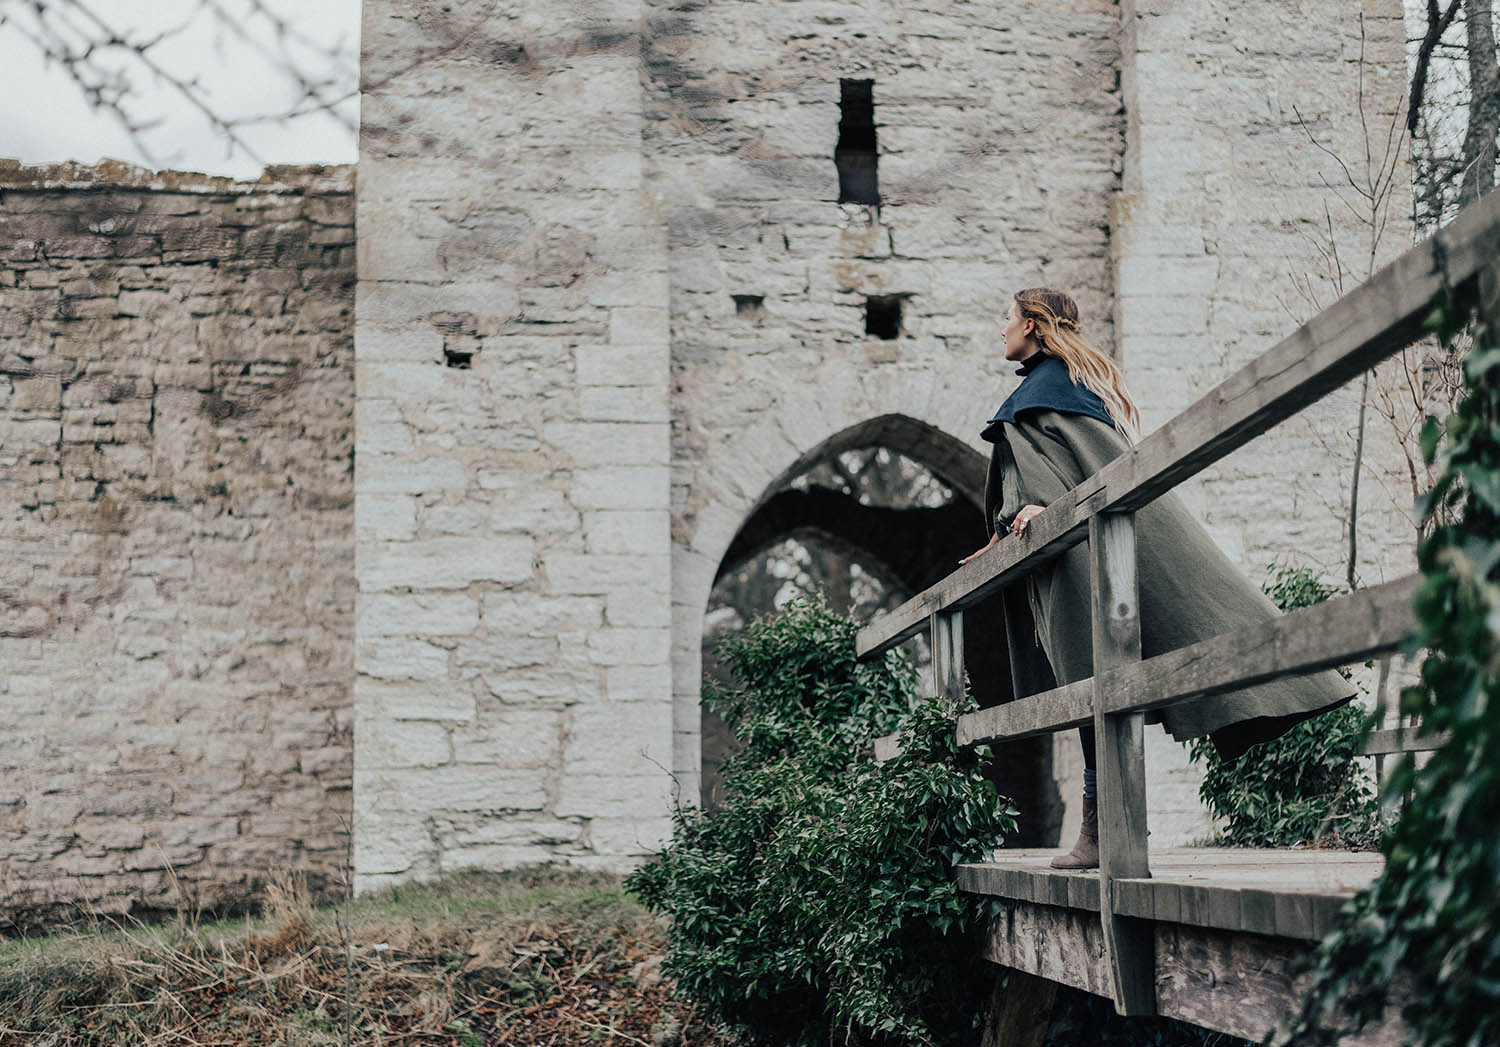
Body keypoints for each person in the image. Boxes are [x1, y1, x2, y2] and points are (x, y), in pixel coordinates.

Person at [961, 287, 1353, 870]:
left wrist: (1041, 508)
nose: (1001, 329)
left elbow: (1057, 479)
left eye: (1007, 318)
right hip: (1072, 557)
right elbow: (1037, 479)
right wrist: (999, 538)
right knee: (1091, 689)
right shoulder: (1054, 389)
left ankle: (1103, 833)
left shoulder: (1048, 391)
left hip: (1082, 561)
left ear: (1035, 327)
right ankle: (1104, 832)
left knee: (1095, 688)